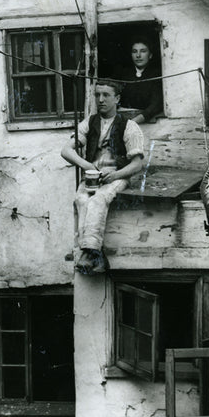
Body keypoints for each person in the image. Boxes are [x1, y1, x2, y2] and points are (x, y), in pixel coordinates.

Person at [61, 80, 144, 274]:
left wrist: (115, 174)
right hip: (92, 177)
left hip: (117, 176)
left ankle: (90, 254)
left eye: (106, 95)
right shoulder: (89, 123)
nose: (100, 99)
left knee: (99, 199)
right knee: (80, 199)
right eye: (97, 95)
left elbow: (137, 164)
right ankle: (91, 253)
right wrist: (86, 165)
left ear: (117, 98)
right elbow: (66, 150)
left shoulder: (129, 126)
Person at [117, 38, 163, 123]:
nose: (138, 55)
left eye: (143, 51)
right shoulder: (123, 74)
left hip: (148, 124)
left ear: (150, 55)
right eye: (134, 51)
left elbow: (157, 103)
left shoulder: (157, 75)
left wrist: (137, 120)